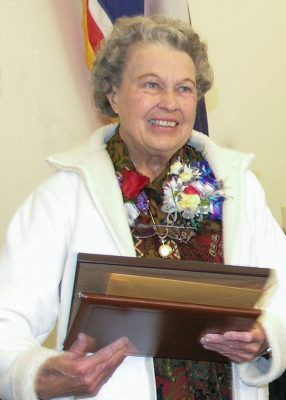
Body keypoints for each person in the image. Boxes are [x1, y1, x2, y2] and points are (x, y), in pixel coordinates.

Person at [0, 14, 286, 400]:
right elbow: (7, 319)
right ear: (113, 93)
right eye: (151, 85)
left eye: (184, 88)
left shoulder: (238, 187)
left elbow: (281, 290)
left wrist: (266, 335)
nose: (170, 103)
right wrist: (35, 373)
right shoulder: (64, 194)